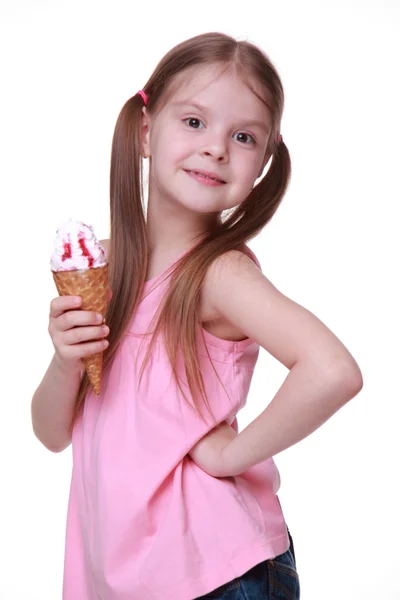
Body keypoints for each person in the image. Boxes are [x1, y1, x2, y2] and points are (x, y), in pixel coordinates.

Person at [31, 32, 363, 600]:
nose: (216, 148)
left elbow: (333, 369)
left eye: (242, 136)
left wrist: (233, 453)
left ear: (262, 161)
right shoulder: (103, 268)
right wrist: (67, 360)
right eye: (193, 122)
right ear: (144, 132)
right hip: (124, 576)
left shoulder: (219, 274)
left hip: (216, 572)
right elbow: (51, 433)